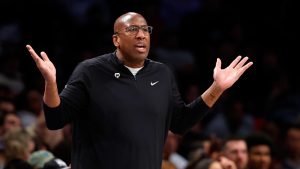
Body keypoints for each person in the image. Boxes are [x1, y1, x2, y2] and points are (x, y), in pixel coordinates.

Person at [25, 12, 253, 169]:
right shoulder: (90, 71)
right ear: (116, 39)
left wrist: (217, 88)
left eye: (145, 29)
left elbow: (180, 123)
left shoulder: (162, 73)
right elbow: (55, 119)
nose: (141, 34)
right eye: (132, 29)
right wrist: (51, 82)